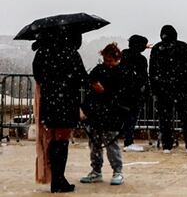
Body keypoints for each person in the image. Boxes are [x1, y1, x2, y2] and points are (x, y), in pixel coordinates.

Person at [32, 29, 88, 193]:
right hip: (67, 101)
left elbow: (38, 76)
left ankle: (54, 178)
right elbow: (82, 77)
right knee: (62, 141)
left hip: (49, 101)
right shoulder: (71, 53)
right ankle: (58, 179)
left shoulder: (42, 52)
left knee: (53, 139)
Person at [80, 43, 126, 186]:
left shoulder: (121, 73)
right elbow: (88, 85)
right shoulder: (99, 70)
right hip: (96, 113)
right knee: (95, 144)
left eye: (110, 61)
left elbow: (121, 95)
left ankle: (117, 171)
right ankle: (96, 170)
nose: (108, 64)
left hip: (111, 114)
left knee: (111, 144)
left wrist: (104, 92)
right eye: (106, 60)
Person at [149, 25, 187, 153]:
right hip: (181, 90)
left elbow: (152, 72)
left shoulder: (157, 49)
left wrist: (155, 89)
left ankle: (167, 145)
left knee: (165, 119)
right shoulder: (182, 47)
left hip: (163, 91)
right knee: (186, 119)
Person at [119, 35, 149, 152]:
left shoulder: (123, 55)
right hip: (135, 94)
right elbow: (143, 77)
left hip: (122, 92)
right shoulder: (140, 59)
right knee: (131, 118)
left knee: (122, 117)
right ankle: (128, 141)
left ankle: (112, 139)